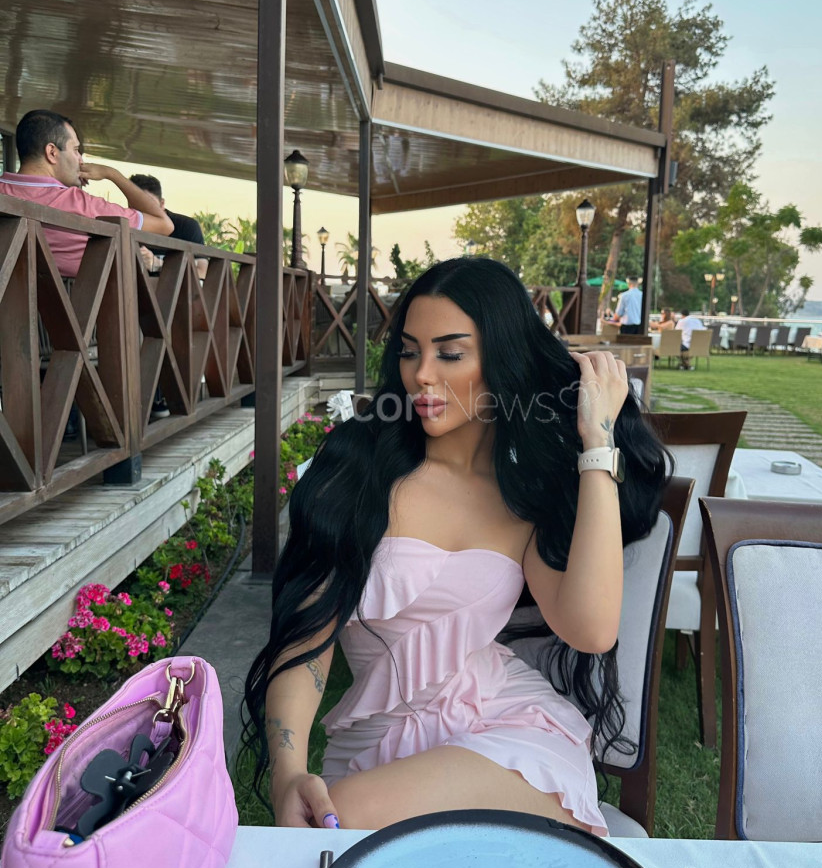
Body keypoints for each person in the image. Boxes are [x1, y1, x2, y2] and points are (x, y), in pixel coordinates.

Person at [243, 257, 670, 835]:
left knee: (353, 817)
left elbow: (591, 630)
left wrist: (596, 441)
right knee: (351, 828)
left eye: (449, 353)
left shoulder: (521, 496)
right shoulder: (355, 471)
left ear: (501, 359)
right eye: (409, 351)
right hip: (377, 750)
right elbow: (307, 636)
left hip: (508, 733)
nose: (421, 374)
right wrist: (288, 771)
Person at [0, 110, 173, 277]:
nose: (81, 160)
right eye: (76, 150)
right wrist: (112, 174)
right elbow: (164, 225)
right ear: (52, 153)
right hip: (68, 297)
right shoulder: (82, 204)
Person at [129, 173, 208, 280]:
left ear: (162, 203)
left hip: (176, 290)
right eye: (135, 204)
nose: (143, 209)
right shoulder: (126, 225)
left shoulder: (187, 227)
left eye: (149, 204)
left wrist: (159, 265)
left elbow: (202, 272)